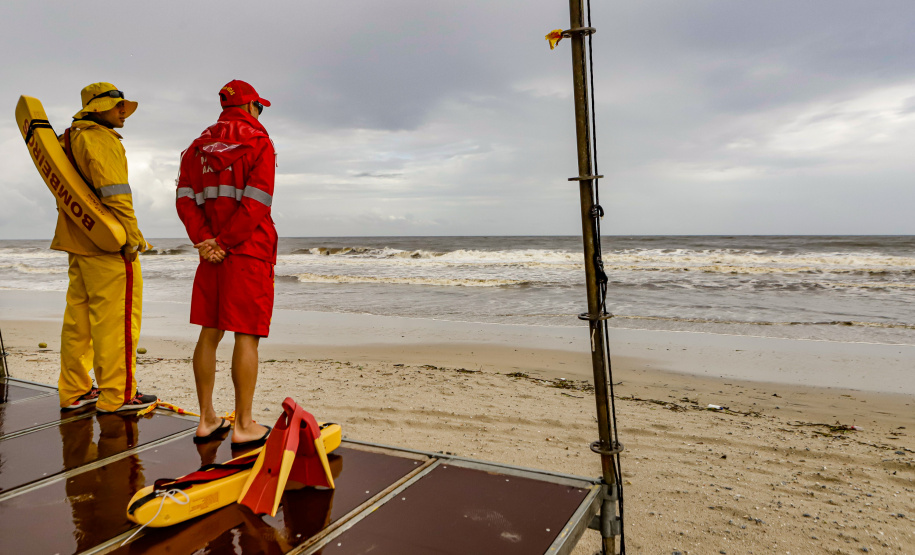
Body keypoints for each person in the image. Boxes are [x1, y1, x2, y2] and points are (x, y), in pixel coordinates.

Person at [176, 79, 278, 448]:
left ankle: (207, 419)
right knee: (246, 335)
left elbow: (185, 200)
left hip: (211, 253)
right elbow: (256, 202)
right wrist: (225, 242)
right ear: (250, 107)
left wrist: (206, 241)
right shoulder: (259, 142)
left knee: (210, 331)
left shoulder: (195, 148)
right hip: (247, 251)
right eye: (259, 107)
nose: (259, 113)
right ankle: (244, 425)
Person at [56, 82, 157, 412]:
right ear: (98, 109)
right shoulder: (100, 139)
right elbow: (117, 194)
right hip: (107, 245)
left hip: (78, 240)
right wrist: (132, 238)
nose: (123, 112)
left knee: (79, 323)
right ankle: (118, 395)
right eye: (118, 107)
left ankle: (74, 390)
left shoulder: (67, 139)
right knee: (117, 323)